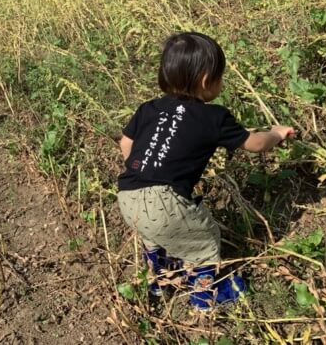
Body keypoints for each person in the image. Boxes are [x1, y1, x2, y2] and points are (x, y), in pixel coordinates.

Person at [117, 32, 294, 310]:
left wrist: (143, 169)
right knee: (205, 238)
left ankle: (158, 283)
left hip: (128, 194)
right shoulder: (214, 117)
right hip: (165, 201)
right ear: (205, 80)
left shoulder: (149, 108)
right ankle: (204, 296)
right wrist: (276, 133)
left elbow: (126, 143)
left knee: (153, 236)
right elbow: (256, 143)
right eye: (220, 76)